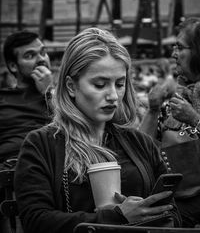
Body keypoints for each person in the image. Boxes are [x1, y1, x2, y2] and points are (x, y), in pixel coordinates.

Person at [14, 27, 181, 233]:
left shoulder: (140, 142)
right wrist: (116, 217)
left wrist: (152, 213)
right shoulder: (42, 144)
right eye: (100, 84)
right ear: (71, 86)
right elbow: (35, 221)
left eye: (119, 84)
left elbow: (174, 213)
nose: (113, 95)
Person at [139, 18, 200, 227]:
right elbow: (141, 146)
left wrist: (194, 119)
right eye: (174, 47)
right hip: (175, 199)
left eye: (180, 47)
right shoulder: (175, 96)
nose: (174, 54)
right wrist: (153, 109)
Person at [0, 30, 53, 165]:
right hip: (9, 169)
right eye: (30, 55)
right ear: (13, 66)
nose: (41, 59)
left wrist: (48, 92)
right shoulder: (3, 99)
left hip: (52, 167)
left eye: (43, 52)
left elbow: (72, 127)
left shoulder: (63, 95)